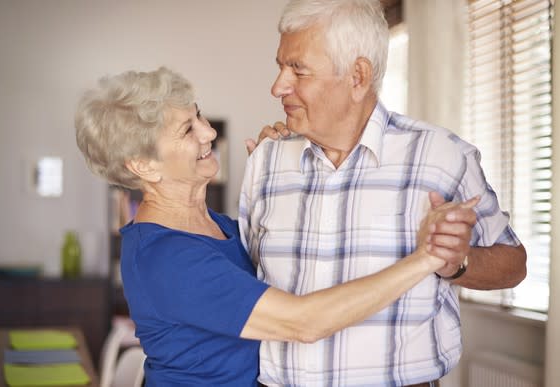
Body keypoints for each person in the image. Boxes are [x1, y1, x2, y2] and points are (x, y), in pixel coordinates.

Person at [74, 67, 478, 386]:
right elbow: (303, 322)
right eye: (187, 129)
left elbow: (288, 261)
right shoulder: (166, 256)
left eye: (198, 115)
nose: (209, 132)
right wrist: (427, 258)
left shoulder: (214, 225)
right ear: (143, 166)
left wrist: (277, 175)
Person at [238, 1, 527, 386]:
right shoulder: (265, 161)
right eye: (280, 66)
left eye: (298, 69)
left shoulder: (440, 156)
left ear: (358, 76)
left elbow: (514, 263)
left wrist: (457, 262)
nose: (278, 86)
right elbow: (247, 279)